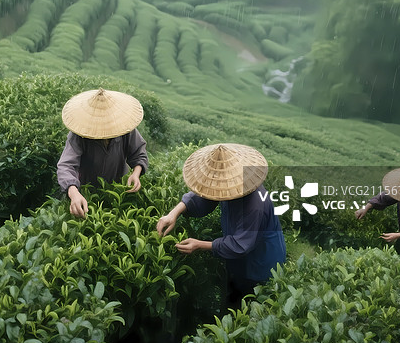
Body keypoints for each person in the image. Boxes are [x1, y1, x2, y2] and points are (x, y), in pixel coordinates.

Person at [157, 143, 286, 306]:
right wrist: (173, 213)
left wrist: (199, 245)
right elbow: (204, 197)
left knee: (250, 304)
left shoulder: (255, 205)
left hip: (260, 260)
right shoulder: (228, 186)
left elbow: (241, 244)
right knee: (232, 297)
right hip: (239, 256)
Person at [57, 87, 148, 218]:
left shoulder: (124, 128)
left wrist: (136, 173)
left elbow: (138, 152)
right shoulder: (79, 135)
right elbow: (66, 166)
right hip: (86, 194)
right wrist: (73, 191)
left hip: (118, 192)